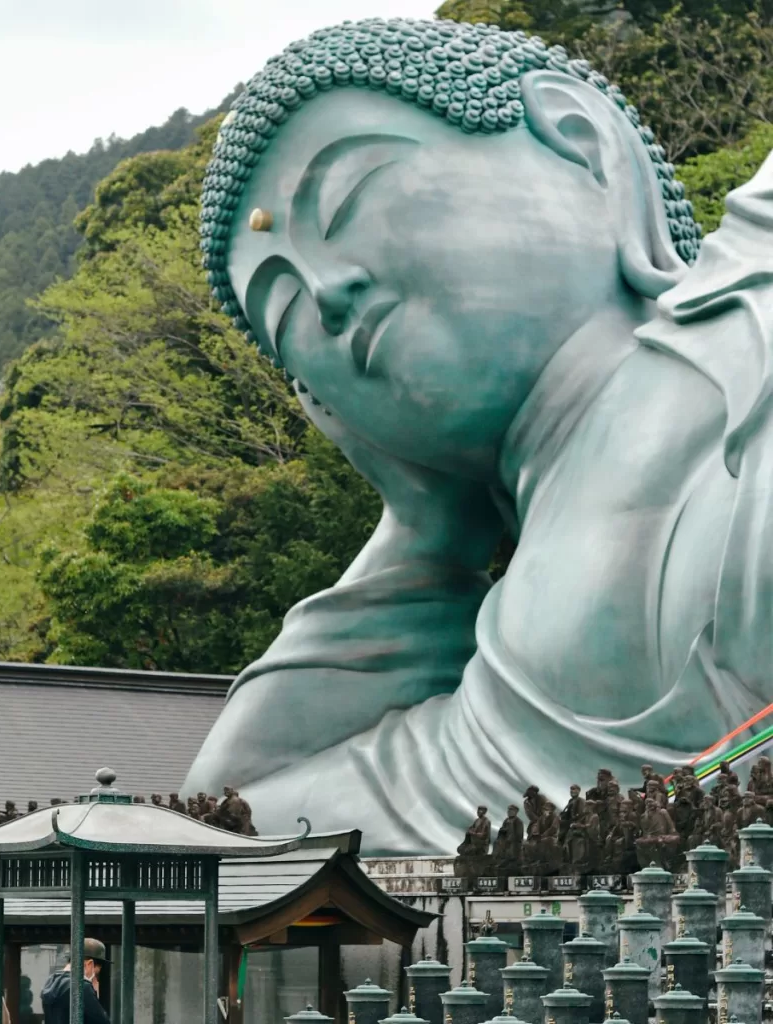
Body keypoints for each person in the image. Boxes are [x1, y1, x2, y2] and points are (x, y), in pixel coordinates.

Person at [185, 13, 773, 854]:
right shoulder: (501, 689)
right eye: (287, 316)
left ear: (580, 143)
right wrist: (425, 531)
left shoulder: (757, 291)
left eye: (349, 196)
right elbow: (230, 820)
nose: (326, 292)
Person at [41, 938, 111, 1024]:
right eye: (96, 974)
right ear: (89, 964)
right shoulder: (82, 987)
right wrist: (94, 994)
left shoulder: (51, 982)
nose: (96, 979)